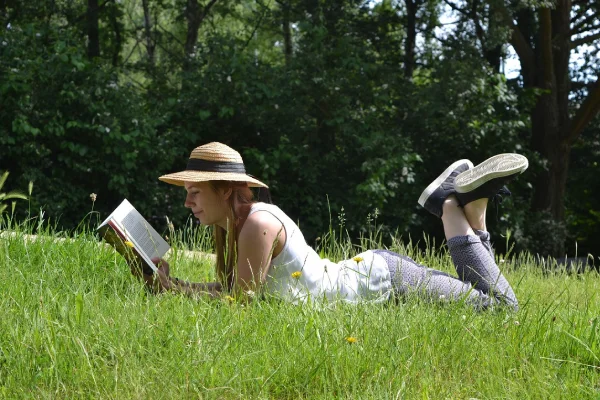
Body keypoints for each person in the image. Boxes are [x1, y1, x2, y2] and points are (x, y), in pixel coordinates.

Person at [133, 142, 527, 310]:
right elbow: (232, 289)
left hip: (387, 281)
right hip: (375, 275)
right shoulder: (237, 225)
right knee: (486, 300)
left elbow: (241, 304)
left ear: (224, 191)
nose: (187, 203)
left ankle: (448, 206)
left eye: (194, 193)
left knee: (502, 309)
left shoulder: (256, 224)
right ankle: (473, 209)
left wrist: (173, 292)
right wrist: (174, 285)